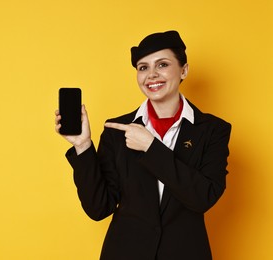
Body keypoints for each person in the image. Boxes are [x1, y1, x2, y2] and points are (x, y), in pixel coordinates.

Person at [54, 30, 231, 260]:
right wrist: (83, 146)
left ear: (184, 70)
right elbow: (99, 208)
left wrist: (152, 147)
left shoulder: (213, 130)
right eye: (143, 67)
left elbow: (203, 197)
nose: (152, 75)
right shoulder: (116, 129)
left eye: (163, 64)